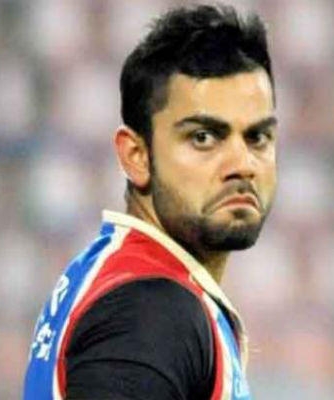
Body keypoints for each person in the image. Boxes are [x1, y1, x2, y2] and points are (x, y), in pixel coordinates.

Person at [23, 4, 277, 399]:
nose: (242, 164)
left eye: (257, 137)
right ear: (136, 156)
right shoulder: (151, 311)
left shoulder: (121, 276)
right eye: (203, 137)